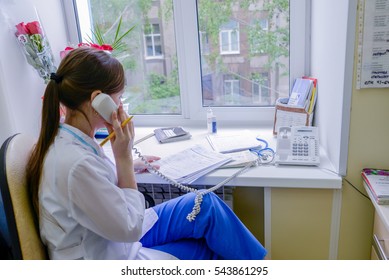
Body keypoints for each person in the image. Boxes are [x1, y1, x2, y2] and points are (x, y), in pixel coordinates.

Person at [26, 47, 267, 260]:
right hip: (112, 250)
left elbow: (94, 185)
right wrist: (124, 159)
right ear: (98, 100)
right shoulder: (76, 164)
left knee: (206, 204)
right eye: (119, 97)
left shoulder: (68, 140)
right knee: (208, 250)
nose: (120, 105)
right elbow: (129, 227)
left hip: (112, 235)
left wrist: (129, 165)